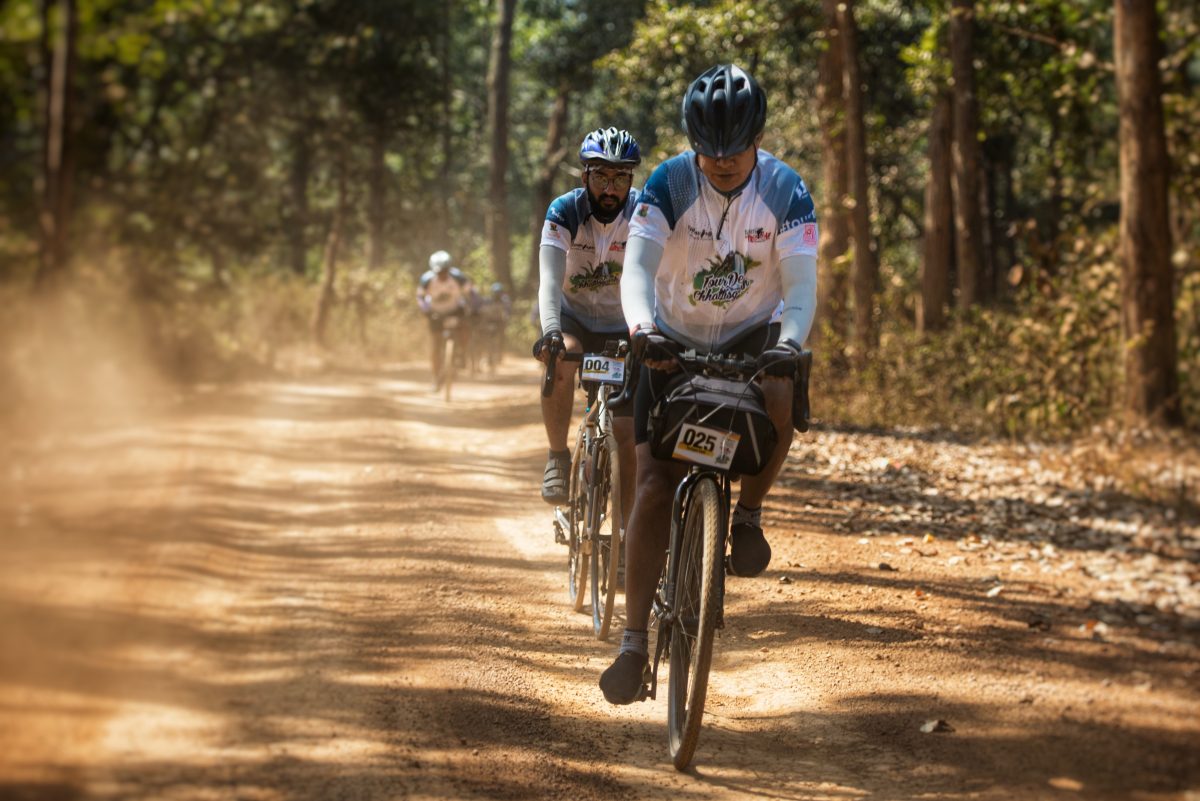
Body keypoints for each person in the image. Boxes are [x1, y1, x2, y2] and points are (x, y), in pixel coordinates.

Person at [599, 65, 819, 705]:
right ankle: (634, 643)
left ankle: (747, 514)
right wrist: (641, 328)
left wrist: (788, 344)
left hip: (754, 330)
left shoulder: (788, 190)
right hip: (670, 335)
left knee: (782, 387)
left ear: (758, 137)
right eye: (709, 151)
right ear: (693, 142)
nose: (721, 162)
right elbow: (636, 268)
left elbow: (801, 289)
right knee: (652, 481)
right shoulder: (668, 183)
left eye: (735, 149)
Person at [533, 127, 642, 525]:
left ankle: (626, 535)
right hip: (571, 315)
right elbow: (548, 280)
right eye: (600, 176)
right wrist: (550, 333)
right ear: (584, 177)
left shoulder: (643, 214)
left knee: (627, 435)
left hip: (623, 322)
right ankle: (558, 456)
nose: (610, 188)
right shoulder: (564, 211)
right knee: (560, 359)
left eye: (620, 178)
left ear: (632, 180)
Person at [416, 250, 470, 390]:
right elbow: (420, 297)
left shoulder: (458, 277)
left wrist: (472, 306)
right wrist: (424, 309)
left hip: (454, 310)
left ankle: (462, 353)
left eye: (445, 271)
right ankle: (435, 377)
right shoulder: (426, 279)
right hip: (435, 313)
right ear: (434, 271)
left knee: (464, 327)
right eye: (439, 272)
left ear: (449, 268)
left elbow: (470, 292)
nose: (442, 275)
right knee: (435, 345)